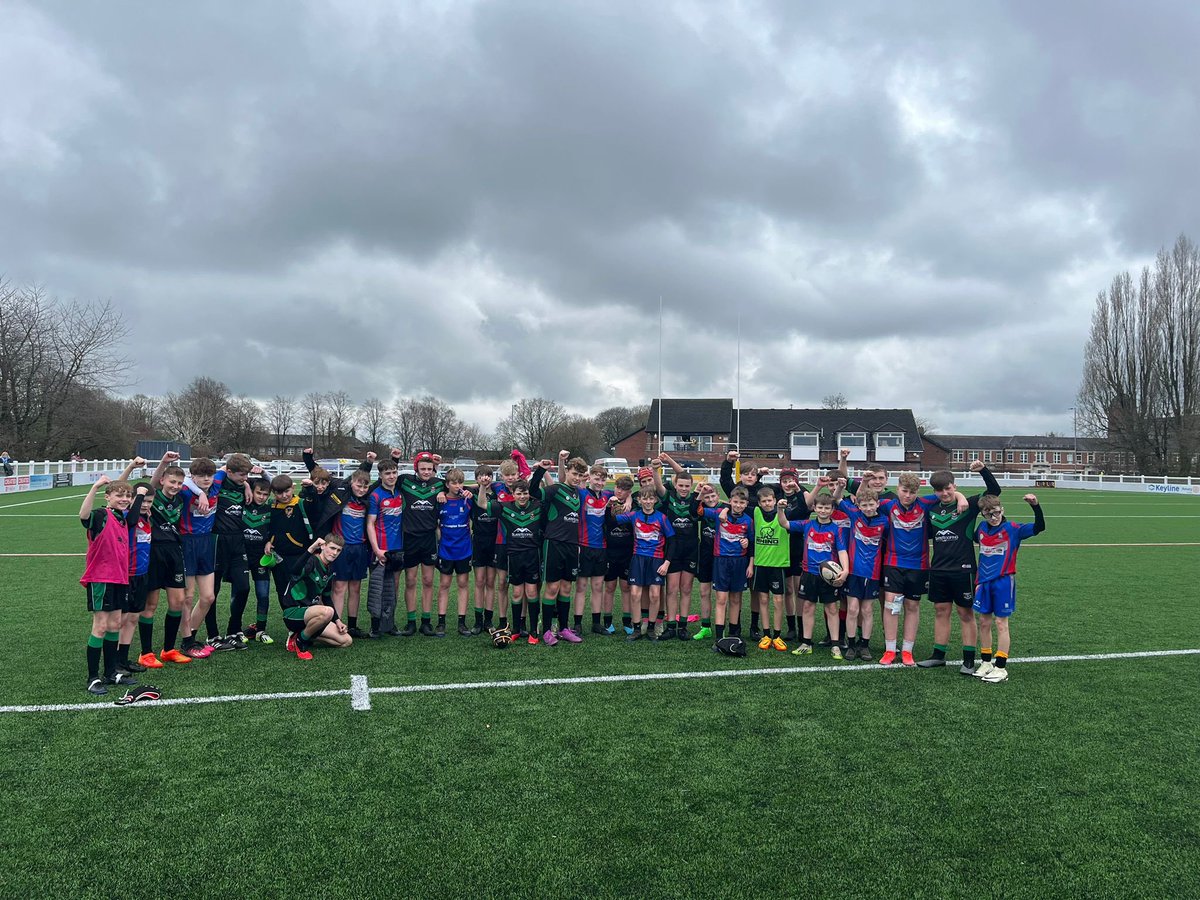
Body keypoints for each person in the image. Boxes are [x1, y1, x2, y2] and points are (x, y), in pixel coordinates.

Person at [919, 460, 1001, 673]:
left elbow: (994, 491)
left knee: (965, 613)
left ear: (954, 485)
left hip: (963, 569)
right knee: (940, 611)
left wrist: (983, 470)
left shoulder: (968, 505)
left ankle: (968, 660)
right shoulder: (932, 509)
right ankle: (938, 655)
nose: (944, 493)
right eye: (939, 490)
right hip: (938, 569)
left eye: (948, 488)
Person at [877, 473, 950, 667]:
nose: (907, 496)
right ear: (898, 488)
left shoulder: (925, 503)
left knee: (912, 606)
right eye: (904, 491)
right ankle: (890, 649)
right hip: (893, 562)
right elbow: (862, 498)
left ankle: (908, 651)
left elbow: (948, 493)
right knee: (891, 606)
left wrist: (958, 497)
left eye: (912, 492)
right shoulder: (887, 505)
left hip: (919, 565)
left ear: (918, 492)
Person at [79, 476, 144, 695]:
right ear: (107, 497)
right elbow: (83, 516)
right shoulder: (100, 515)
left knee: (115, 623)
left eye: (127, 495)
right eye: (119, 495)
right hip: (101, 579)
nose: (124, 499)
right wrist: (95, 487)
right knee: (101, 625)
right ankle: (92, 678)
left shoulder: (122, 519)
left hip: (120, 578)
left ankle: (110, 672)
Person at [973, 494, 1046, 683]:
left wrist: (1035, 506)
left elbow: (1039, 527)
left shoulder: (1013, 529)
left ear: (1002, 510)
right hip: (984, 582)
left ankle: (1001, 666)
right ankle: (986, 662)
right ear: (982, 515)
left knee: (1001, 623)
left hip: (1004, 581)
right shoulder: (981, 528)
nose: (994, 517)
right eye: (989, 514)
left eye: (996, 512)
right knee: (983, 622)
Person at [476, 478, 544, 644]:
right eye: (519, 493)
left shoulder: (538, 506)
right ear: (512, 495)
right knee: (516, 592)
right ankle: (515, 629)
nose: (522, 496)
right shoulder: (504, 507)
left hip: (532, 555)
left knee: (532, 592)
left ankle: (534, 631)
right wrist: (483, 487)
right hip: (513, 556)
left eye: (525, 493)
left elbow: (542, 491)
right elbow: (482, 504)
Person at [783, 490, 850, 658]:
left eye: (827, 508)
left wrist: (845, 570)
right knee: (807, 607)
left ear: (832, 509)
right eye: (820, 507)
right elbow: (784, 524)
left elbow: (842, 551)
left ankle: (835, 645)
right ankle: (806, 642)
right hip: (809, 573)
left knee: (832, 608)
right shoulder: (807, 524)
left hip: (830, 576)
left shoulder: (837, 529)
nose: (823, 511)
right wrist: (779, 510)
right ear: (814, 508)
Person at [147, 451, 200, 663]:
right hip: (153, 552)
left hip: (175, 552)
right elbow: (150, 484)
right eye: (172, 481)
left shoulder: (181, 499)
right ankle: (146, 653)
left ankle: (168, 650)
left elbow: (200, 486)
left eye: (179, 482)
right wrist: (163, 462)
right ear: (163, 481)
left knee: (177, 602)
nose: (175, 486)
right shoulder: (155, 495)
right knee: (150, 605)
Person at [529, 451, 586, 644]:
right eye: (574, 474)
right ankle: (546, 630)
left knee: (566, 588)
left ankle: (563, 628)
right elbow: (534, 492)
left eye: (580, 475)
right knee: (552, 587)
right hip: (553, 544)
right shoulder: (556, 489)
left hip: (571, 546)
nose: (577, 478)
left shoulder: (577, 493)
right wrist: (540, 471)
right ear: (567, 472)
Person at [612, 487, 676, 641]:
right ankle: (636, 628)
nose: (648, 502)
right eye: (644, 499)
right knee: (634, 594)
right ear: (639, 501)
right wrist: (612, 506)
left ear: (655, 500)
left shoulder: (662, 518)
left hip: (656, 560)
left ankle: (652, 628)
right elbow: (613, 520)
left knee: (654, 595)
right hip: (638, 558)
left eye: (651, 499)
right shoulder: (634, 515)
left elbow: (672, 541)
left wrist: (666, 563)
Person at [397, 450, 447, 636]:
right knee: (410, 581)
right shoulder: (405, 481)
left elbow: (457, 487)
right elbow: (388, 477)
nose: (426, 472)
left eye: (429, 468)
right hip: (409, 537)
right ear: (416, 468)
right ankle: (411, 621)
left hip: (429, 538)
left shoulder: (438, 484)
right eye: (422, 468)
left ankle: (426, 621)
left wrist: (443, 491)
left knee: (427, 581)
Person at [280, 535, 353, 660]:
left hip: (312, 616)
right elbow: (295, 571)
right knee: (326, 612)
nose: (335, 553)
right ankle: (300, 641)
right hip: (293, 612)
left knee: (346, 640)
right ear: (323, 546)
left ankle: (300, 635)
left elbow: (327, 598)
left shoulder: (329, 570)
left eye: (338, 550)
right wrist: (311, 548)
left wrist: (338, 621)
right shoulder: (312, 561)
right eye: (332, 548)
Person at [837, 487, 888, 661]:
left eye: (871, 504)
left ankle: (864, 645)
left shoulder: (884, 522)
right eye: (864, 505)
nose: (868, 508)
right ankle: (851, 645)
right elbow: (836, 499)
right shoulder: (854, 515)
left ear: (878, 504)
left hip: (872, 573)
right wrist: (840, 486)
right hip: (853, 571)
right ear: (858, 505)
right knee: (852, 609)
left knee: (866, 610)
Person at [654, 452, 702, 640]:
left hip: (691, 549)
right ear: (675, 484)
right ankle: (671, 626)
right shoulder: (669, 497)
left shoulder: (696, 500)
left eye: (686, 486)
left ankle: (683, 626)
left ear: (691, 487)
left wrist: (669, 461)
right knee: (672, 589)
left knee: (687, 588)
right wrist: (656, 469)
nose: (683, 488)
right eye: (680, 485)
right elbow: (658, 486)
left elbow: (683, 474)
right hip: (672, 549)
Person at [177, 457, 220, 652]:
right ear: (192, 476)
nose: (206, 479)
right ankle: (186, 641)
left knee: (208, 597)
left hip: (206, 542)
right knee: (187, 597)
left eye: (209, 475)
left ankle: (191, 636)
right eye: (201, 476)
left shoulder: (216, 485)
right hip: (187, 542)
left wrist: (245, 484)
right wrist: (199, 493)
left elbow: (227, 469)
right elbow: (183, 481)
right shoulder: (186, 490)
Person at [704, 486, 754, 643]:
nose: (738, 505)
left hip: (740, 562)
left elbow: (752, 543)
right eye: (735, 502)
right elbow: (697, 509)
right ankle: (719, 637)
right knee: (721, 599)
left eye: (742, 503)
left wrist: (750, 563)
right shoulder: (720, 514)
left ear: (746, 504)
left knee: (735, 599)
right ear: (730, 501)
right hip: (721, 560)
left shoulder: (748, 521)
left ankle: (733, 635)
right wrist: (723, 507)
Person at [365, 457, 405, 637]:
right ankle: (375, 625)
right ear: (380, 475)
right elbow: (370, 524)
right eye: (387, 473)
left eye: (394, 472)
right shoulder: (375, 495)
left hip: (398, 548)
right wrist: (376, 549)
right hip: (380, 549)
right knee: (377, 587)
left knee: (393, 586)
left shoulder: (400, 492)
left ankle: (389, 623)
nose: (391, 476)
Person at [748, 485, 792, 651]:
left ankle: (778, 635)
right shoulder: (756, 513)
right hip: (761, 564)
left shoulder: (783, 514)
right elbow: (735, 503)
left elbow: (803, 505)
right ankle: (766, 634)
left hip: (777, 565)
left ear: (774, 500)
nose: (767, 503)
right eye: (764, 501)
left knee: (778, 600)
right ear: (759, 503)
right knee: (763, 600)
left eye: (770, 500)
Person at [231, 477, 274, 644]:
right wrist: (248, 483)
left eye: (265, 494)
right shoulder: (243, 504)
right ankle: (235, 630)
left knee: (263, 595)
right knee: (239, 592)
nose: (262, 497)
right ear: (251, 491)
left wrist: (271, 541)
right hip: (240, 555)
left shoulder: (271, 508)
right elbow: (238, 482)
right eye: (258, 493)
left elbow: (275, 530)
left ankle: (260, 630)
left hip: (261, 558)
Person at [436, 469, 474, 637]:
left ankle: (462, 622)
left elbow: (482, 487)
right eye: (453, 483)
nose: (457, 486)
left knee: (463, 584)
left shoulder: (467, 499)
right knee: (444, 585)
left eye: (460, 482)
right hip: (445, 549)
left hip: (464, 549)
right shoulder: (440, 500)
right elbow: (436, 524)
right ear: (447, 484)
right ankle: (441, 623)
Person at [267, 473, 314, 609]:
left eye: (287, 491)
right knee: (282, 590)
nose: (284, 496)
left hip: (300, 555)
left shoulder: (300, 503)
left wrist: (310, 488)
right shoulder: (271, 506)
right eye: (279, 493)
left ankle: (306, 623)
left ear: (293, 488)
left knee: (302, 589)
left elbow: (313, 501)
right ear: (273, 493)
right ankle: (290, 624)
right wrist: (267, 541)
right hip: (279, 557)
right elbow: (267, 528)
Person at [602, 474, 636, 634]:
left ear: (629, 492)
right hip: (610, 552)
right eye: (619, 488)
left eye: (625, 490)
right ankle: (607, 621)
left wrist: (629, 502)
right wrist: (609, 505)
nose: (620, 492)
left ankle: (627, 622)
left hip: (627, 553)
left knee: (626, 587)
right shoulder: (608, 500)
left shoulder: (634, 505)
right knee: (609, 586)